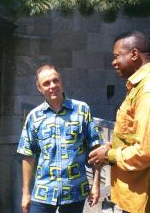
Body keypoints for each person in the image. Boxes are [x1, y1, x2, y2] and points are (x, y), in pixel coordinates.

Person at [88, 31, 150, 213]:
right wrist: (109, 147)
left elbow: (148, 152)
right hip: (137, 196)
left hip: (148, 198)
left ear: (134, 54)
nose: (113, 62)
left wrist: (109, 155)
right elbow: (134, 135)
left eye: (117, 56)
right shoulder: (142, 86)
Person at [17, 64, 103, 213]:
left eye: (55, 80)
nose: (52, 86)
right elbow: (27, 155)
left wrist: (96, 185)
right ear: (39, 88)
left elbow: (96, 148)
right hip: (43, 193)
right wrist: (25, 193)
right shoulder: (34, 116)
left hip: (74, 192)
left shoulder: (82, 110)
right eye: (46, 83)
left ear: (61, 81)